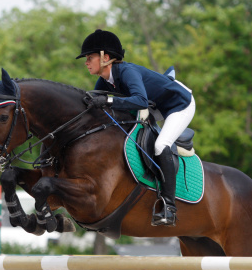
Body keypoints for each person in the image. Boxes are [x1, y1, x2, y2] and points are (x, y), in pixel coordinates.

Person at [76, 29, 195, 226]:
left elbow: (139, 101)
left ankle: (169, 207)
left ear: (106, 57)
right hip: (156, 105)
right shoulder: (104, 80)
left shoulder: (126, 72)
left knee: (160, 145)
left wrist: (107, 99)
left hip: (179, 104)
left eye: (90, 57)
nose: (86, 62)